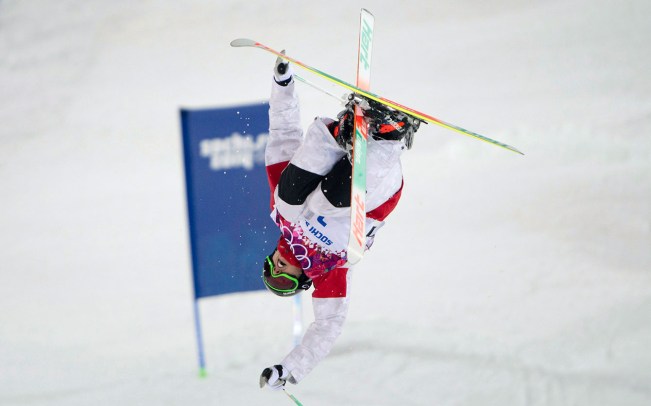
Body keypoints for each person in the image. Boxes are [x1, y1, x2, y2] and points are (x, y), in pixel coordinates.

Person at [259, 52, 420, 390]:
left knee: (287, 201)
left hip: (331, 160)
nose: (280, 264)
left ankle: (344, 133)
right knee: (325, 211)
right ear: (301, 281)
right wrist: (289, 369)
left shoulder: (282, 214)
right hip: (374, 193)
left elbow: (283, 135)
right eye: (284, 277)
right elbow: (327, 327)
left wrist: (282, 85)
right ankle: (385, 137)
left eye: (271, 264)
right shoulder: (328, 273)